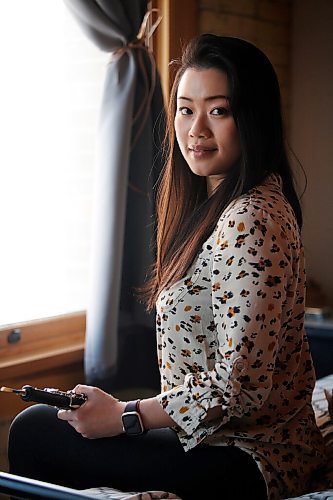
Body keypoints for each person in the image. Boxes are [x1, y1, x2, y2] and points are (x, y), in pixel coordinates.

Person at [8, 34, 326, 500]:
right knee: (46, 424)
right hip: (213, 443)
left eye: (218, 110)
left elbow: (239, 386)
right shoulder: (219, 205)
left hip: (254, 459)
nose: (196, 128)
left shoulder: (249, 217)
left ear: (252, 117)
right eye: (184, 108)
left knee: (33, 431)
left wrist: (125, 415)